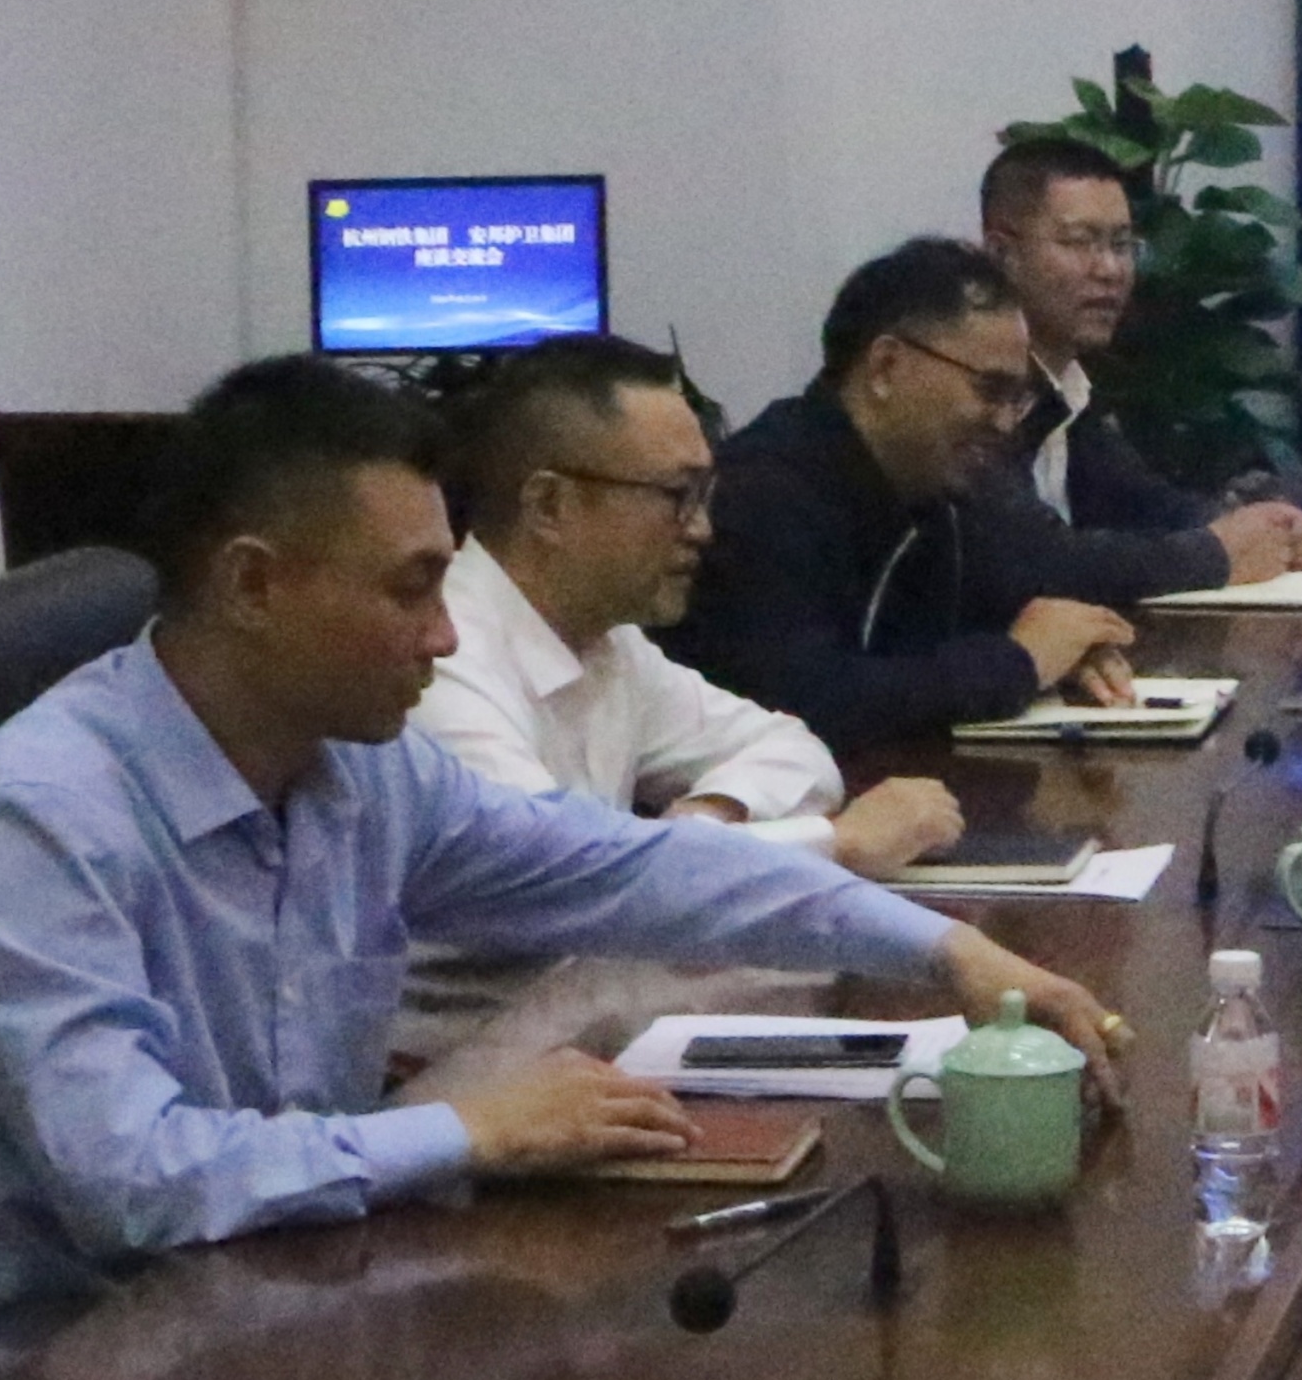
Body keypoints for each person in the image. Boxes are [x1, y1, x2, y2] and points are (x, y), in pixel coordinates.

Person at [0, 356, 1118, 1380]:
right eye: (411, 587)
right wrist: (468, 1130)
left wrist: (945, 950)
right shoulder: (45, 821)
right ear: (253, 583)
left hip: (277, 1304)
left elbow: (640, 869)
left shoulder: (360, 769)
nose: (445, 632)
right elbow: (130, 1181)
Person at [402, 334, 970, 1061]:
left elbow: (792, 748)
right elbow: (574, 892)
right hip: (450, 1071)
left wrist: (709, 820)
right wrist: (837, 843)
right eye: (678, 496)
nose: (702, 529)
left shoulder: (611, 644)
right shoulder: (443, 661)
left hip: (579, 1032)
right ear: (549, 504)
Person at [671, 239, 1140, 752]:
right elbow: (803, 704)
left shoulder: (936, 486)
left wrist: (1067, 649)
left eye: (1017, 397)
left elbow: (1010, 604)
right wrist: (1019, 663)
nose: (1007, 423)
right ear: (886, 367)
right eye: (990, 389)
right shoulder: (760, 493)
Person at [975, 133, 1302, 603]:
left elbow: (1145, 504)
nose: (1110, 270)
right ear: (1001, 255)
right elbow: (1039, 561)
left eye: (1121, 245)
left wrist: (1264, 527)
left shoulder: (1067, 386)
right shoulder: (975, 392)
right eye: (1080, 242)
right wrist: (1217, 553)